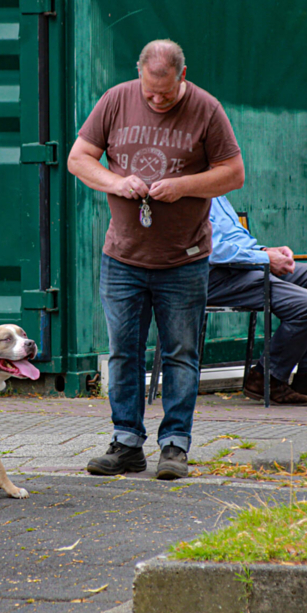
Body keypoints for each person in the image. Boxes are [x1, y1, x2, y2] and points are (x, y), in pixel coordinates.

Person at [67, 40, 245, 480]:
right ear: (139, 76)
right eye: (150, 93)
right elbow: (78, 159)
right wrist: (115, 180)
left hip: (183, 259)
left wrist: (184, 186)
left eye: (166, 93)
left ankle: (175, 446)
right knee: (124, 353)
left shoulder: (207, 109)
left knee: (181, 354)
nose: (157, 100)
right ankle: (126, 443)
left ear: (183, 76)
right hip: (123, 257)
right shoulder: (115, 100)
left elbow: (234, 172)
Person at [208, 195, 307, 406]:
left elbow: (235, 242)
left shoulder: (217, 194)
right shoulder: (188, 192)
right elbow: (212, 251)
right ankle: (266, 377)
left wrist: (265, 251)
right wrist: (265, 259)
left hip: (243, 266)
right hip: (215, 277)